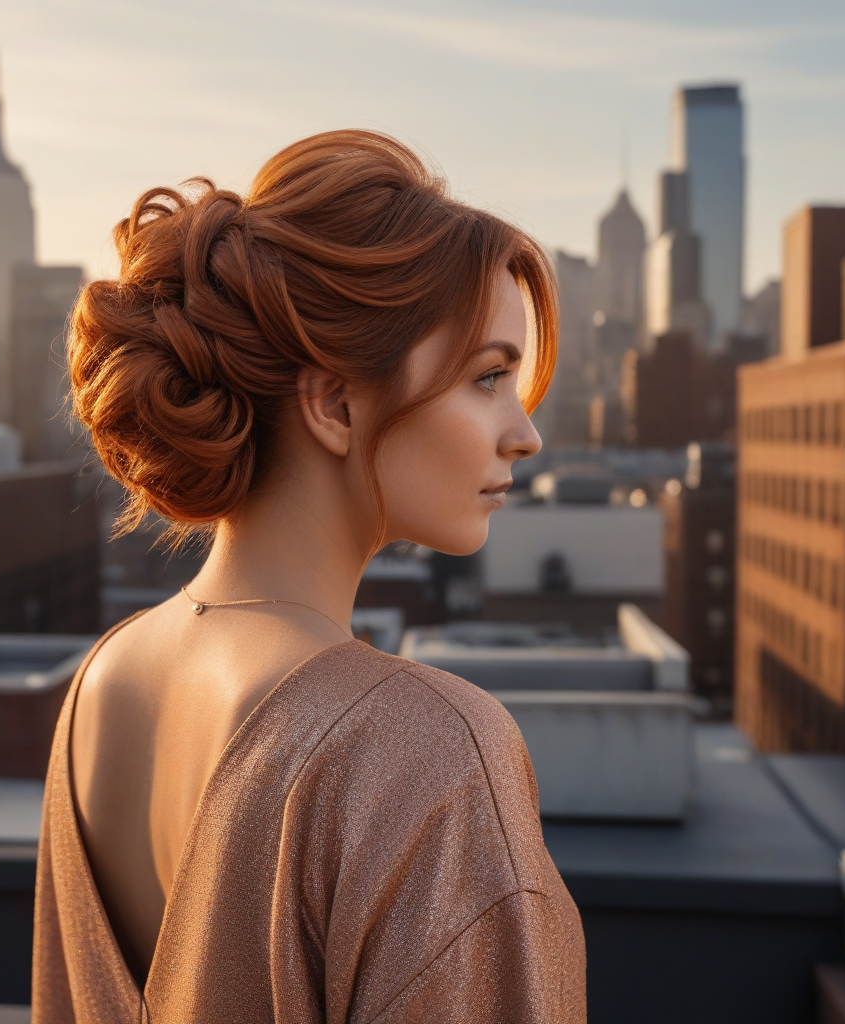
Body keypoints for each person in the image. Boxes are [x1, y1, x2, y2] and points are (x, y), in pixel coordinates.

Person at [33, 130, 585, 1023]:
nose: (525, 434)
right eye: (488, 377)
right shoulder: (425, 749)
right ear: (333, 403)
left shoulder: (103, 683)